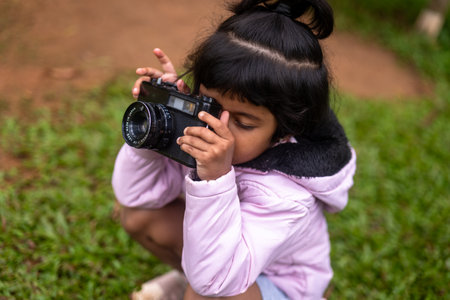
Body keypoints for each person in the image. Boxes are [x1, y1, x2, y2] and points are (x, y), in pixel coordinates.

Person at [112, 0, 357, 299]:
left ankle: (190, 284)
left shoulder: (288, 195)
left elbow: (216, 281)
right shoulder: (200, 128)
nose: (220, 127)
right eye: (210, 106)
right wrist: (162, 125)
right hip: (219, 260)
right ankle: (186, 278)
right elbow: (135, 196)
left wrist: (215, 179)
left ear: (284, 132)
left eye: (243, 122)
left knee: (207, 293)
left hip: (278, 285)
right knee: (139, 216)